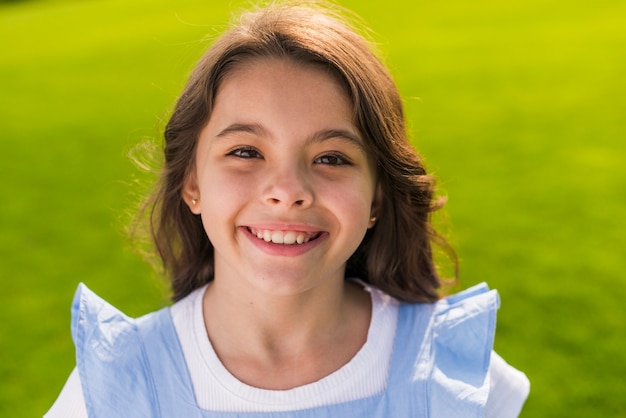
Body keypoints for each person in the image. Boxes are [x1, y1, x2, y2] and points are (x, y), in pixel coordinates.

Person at [45, 2, 530, 417]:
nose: (287, 191)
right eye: (246, 151)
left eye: (331, 158)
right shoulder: (113, 388)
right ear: (192, 183)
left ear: (377, 196)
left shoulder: (455, 378)